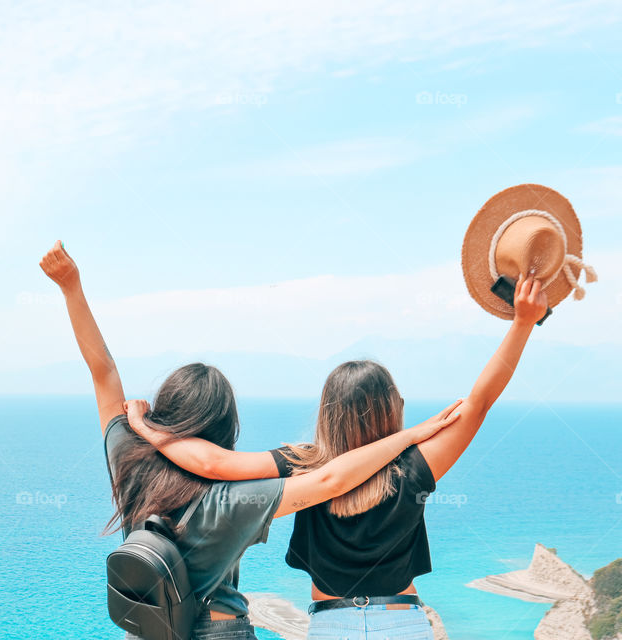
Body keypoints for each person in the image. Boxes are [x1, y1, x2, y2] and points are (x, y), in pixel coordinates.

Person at [38, 241, 463, 640]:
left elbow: (103, 372)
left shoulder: (127, 454)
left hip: (146, 628)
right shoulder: (233, 498)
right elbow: (331, 481)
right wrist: (409, 435)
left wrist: (71, 287)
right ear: (225, 430)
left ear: (167, 409)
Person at [124, 273, 549, 640]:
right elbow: (479, 403)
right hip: (403, 625)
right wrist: (522, 324)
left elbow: (213, 464)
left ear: (329, 413)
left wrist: (148, 429)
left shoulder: (303, 463)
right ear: (392, 407)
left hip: (331, 626)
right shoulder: (415, 466)